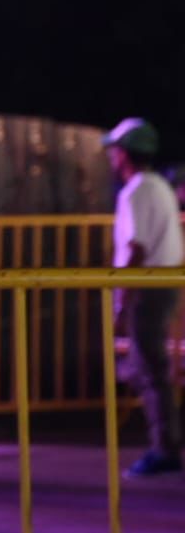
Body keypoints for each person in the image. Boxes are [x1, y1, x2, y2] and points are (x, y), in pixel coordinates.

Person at [102, 118, 183, 478]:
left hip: (147, 289)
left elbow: (136, 248)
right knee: (152, 368)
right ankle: (166, 443)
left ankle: (165, 448)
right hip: (163, 284)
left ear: (123, 154)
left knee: (151, 370)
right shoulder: (160, 187)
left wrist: (122, 299)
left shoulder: (134, 192)